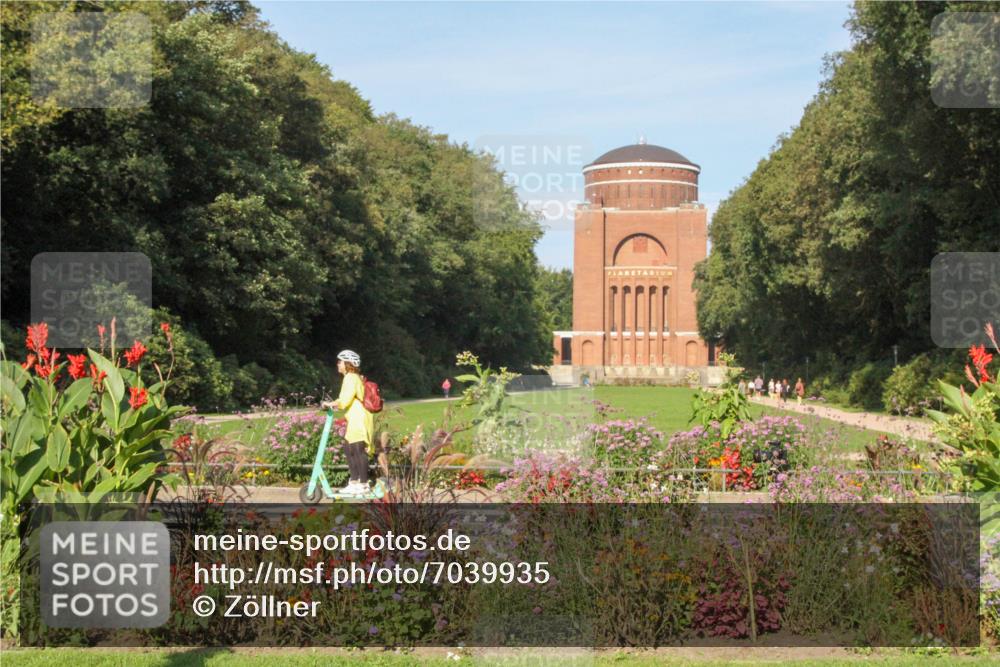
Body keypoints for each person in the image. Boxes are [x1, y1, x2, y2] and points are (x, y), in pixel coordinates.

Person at [322, 349, 374, 496]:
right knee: (349, 449)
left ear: (347, 363)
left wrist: (331, 405)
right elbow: (345, 399)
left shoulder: (351, 377)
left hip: (359, 418)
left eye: (340, 361)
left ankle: (363, 485)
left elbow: (344, 401)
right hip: (355, 418)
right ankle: (355, 482)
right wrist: (331, 403)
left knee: (357, 450)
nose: (338, 364)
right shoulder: (352, 377)